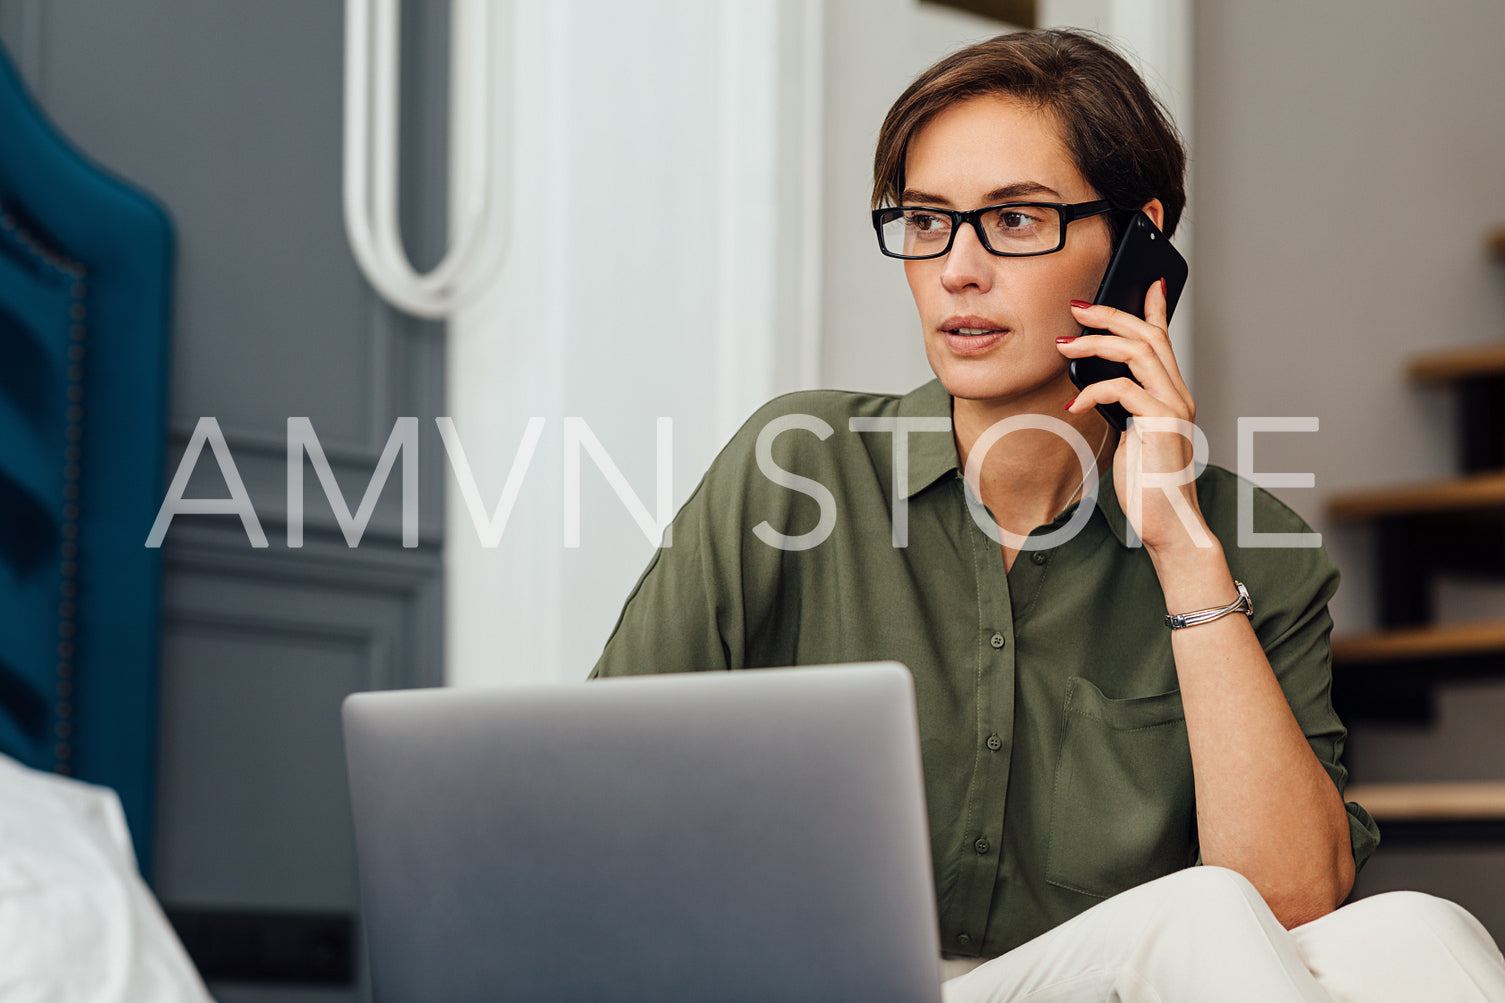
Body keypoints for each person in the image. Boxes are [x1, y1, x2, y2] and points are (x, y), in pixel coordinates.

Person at [591, 27, 1505, 1002]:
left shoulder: (1254, 546)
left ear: (1137, 243)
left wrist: (1180, 548)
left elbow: (1289, 900)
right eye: (926, 220)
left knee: (1416, 929)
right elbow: (589, 797)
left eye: (1014, 221)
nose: (956, 269)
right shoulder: (795, 471)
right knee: (1198, 910)